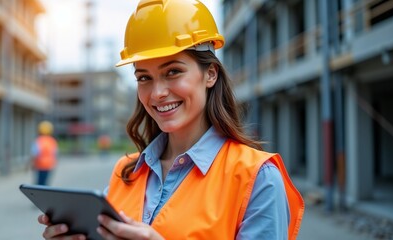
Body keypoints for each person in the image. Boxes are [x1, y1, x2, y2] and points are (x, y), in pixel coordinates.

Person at [38, 0, 305, 239]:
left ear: (210, 74)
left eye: (173, 71)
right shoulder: (125, 172)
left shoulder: (256, 178)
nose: (157, 93)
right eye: (144, 77)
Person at [31, 121, 58, 186]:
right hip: (49, 165)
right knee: (45, 183)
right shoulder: (52, 141)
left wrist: (32, 164)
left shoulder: (38, 140)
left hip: (40, 165)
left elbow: (35, 153)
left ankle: (38, 195)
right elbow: (54, 153)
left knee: (39, 183)